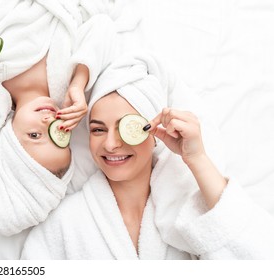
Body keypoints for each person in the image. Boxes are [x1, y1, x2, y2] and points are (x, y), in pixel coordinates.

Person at [21, 52, 274, 259]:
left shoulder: (189, 218)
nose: (110, 144)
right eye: (98, 129)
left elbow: (258, 258)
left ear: (155, 133)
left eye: (127, 128)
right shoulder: (64, 224)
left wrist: (197, 159)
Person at [0, 0, 125, 246]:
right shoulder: (69, 86)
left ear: (9, 141)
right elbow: (103, 26)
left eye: (34, 136)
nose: (48, 120)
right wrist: (80, 81)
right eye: (59, 135)